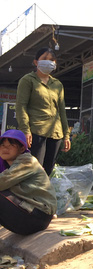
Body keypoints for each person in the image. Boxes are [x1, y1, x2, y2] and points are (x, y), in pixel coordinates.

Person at [15, 48, 71, 176]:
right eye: (44, 59)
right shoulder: (27, 80)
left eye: (51, 60)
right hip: (35, 131)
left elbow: (62, 110)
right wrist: (25, 130)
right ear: (36, 62)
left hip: (55, 133)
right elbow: (21, 106)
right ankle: (30, 196)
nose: (48, 62)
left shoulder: (57, 84)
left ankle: (42, 196)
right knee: (34, 170)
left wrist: (66, 135)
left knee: (48, 171)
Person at [0, 129, 56, 236]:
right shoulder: (6, 164)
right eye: (2, 145)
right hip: (27, 214)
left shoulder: (27, 161)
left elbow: (2, 182)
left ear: (21, 149)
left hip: (38, 217)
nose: (5, 148)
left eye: (10, 145)